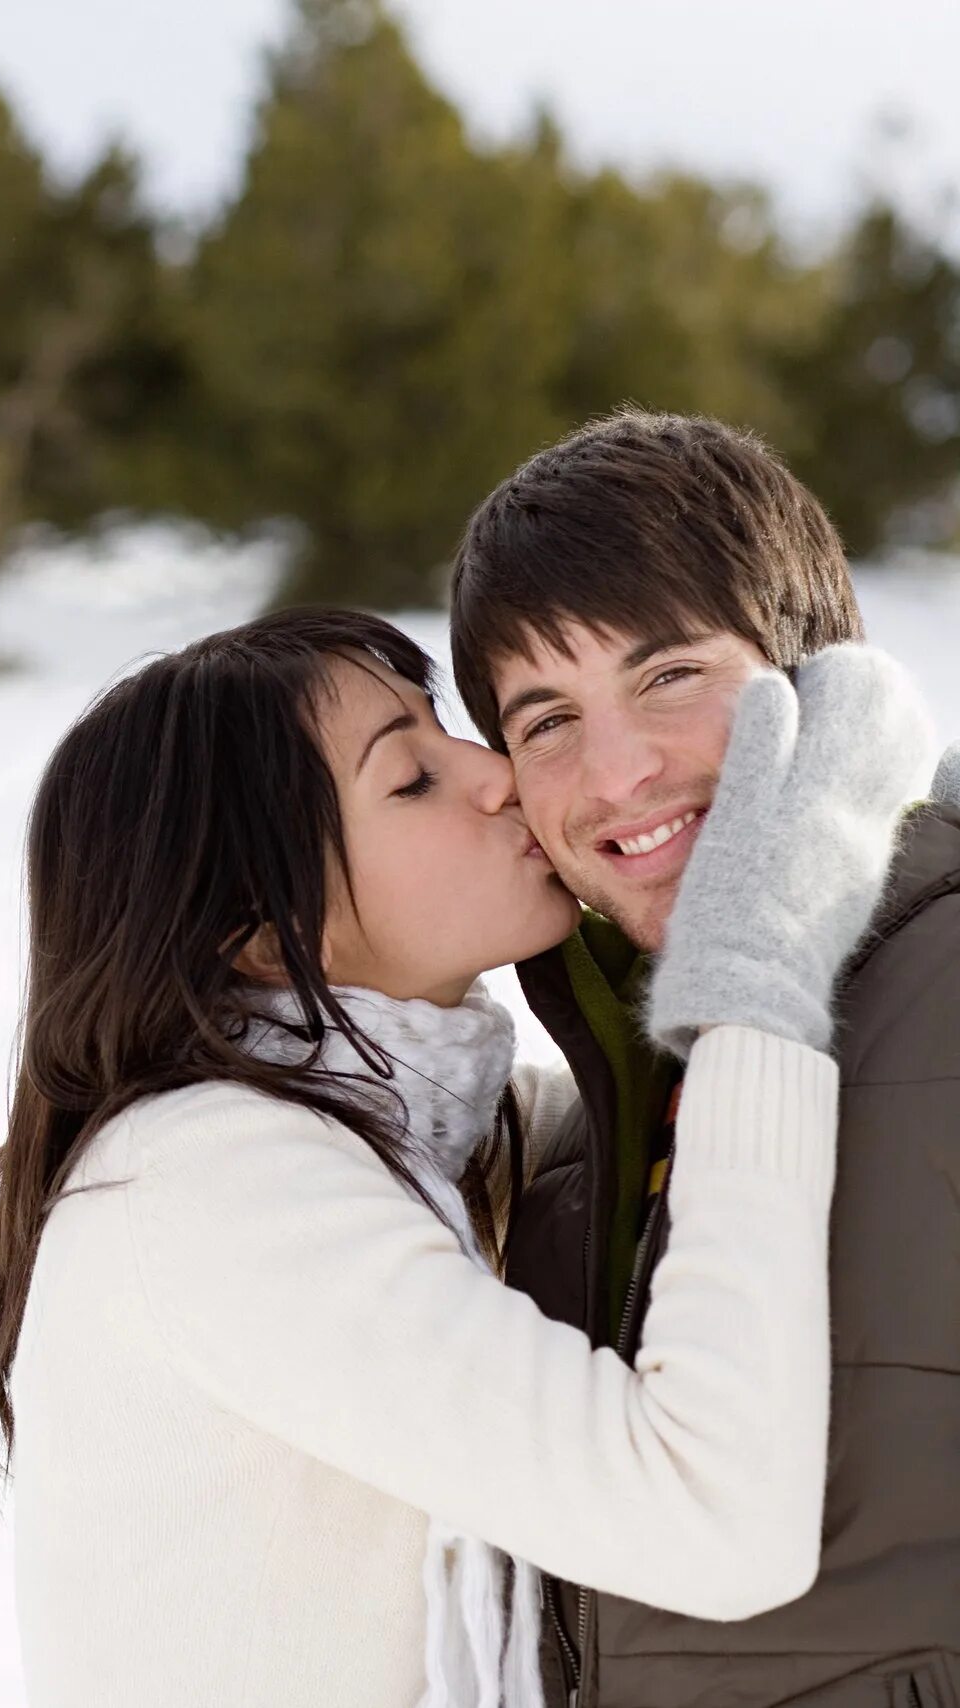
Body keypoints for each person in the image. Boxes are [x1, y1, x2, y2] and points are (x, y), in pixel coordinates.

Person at [0, 604, 934, 1707]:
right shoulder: (207, 1184)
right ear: (262, 933)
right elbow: (712, 1520)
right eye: (409, 777)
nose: (496, 774)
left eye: (446, 728)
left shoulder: (425, 1132)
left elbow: (752, 1142)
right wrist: (760, 954)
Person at [450, 410, 960, 1708]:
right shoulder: (581, 1141)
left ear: (817, 667)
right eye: (546, 719)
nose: (617, 775)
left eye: (671, 675)